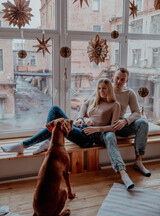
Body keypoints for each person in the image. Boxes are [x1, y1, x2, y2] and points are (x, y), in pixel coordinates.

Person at [1, 78, 135, 190]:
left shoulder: (114, 105)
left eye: (104, 88)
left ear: (110, 89)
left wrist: (97, 129)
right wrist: (81, 119)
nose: (101, 91)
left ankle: (26, 144)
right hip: (81, 128)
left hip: (88, 138)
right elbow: (82, 108)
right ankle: (40, 142)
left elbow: (113, 127)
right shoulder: (95, 98)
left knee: (58, 123)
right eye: (99, 88)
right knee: (55, 110)